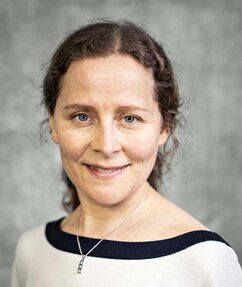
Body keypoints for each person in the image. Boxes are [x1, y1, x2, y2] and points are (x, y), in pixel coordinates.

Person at [11, 20, 242, 287]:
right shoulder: (31, 250)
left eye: (130, 118)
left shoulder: (205, 261)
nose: (106, 146)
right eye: (82, 116)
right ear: (53, 124)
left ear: (164, 127)